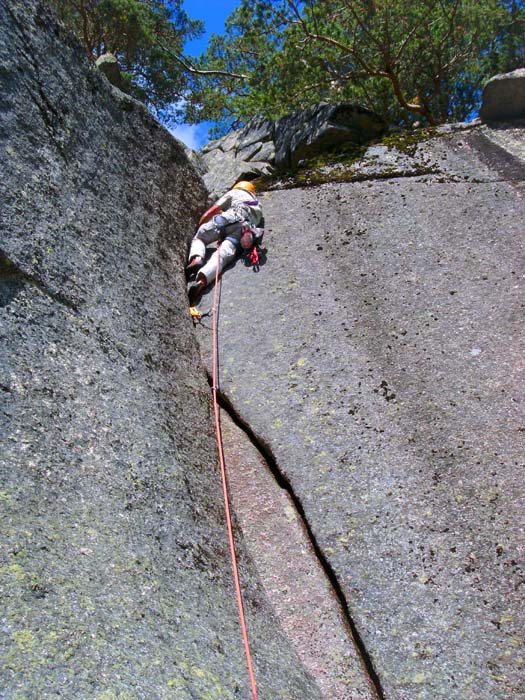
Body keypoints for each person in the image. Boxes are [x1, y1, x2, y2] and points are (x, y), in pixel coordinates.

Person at [186, 181, 264, 304]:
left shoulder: (235, 192)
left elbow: (212, 211)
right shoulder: (258, 207)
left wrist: (200, 226)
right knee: (221, 256)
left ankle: (196, 259)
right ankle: (201, 282)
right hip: (243, 230)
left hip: (229, 218)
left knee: (200, 237)